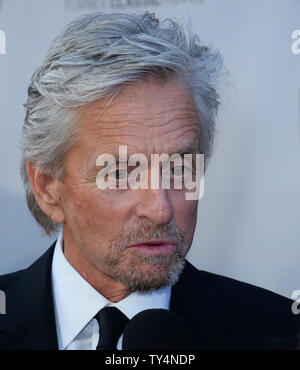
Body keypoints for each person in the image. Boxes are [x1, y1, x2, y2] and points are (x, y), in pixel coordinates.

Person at [0, 11, 299, 350]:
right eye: (119, 173)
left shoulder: (283, 334)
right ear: (48, 187)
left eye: (178, 168)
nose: (160, 209)